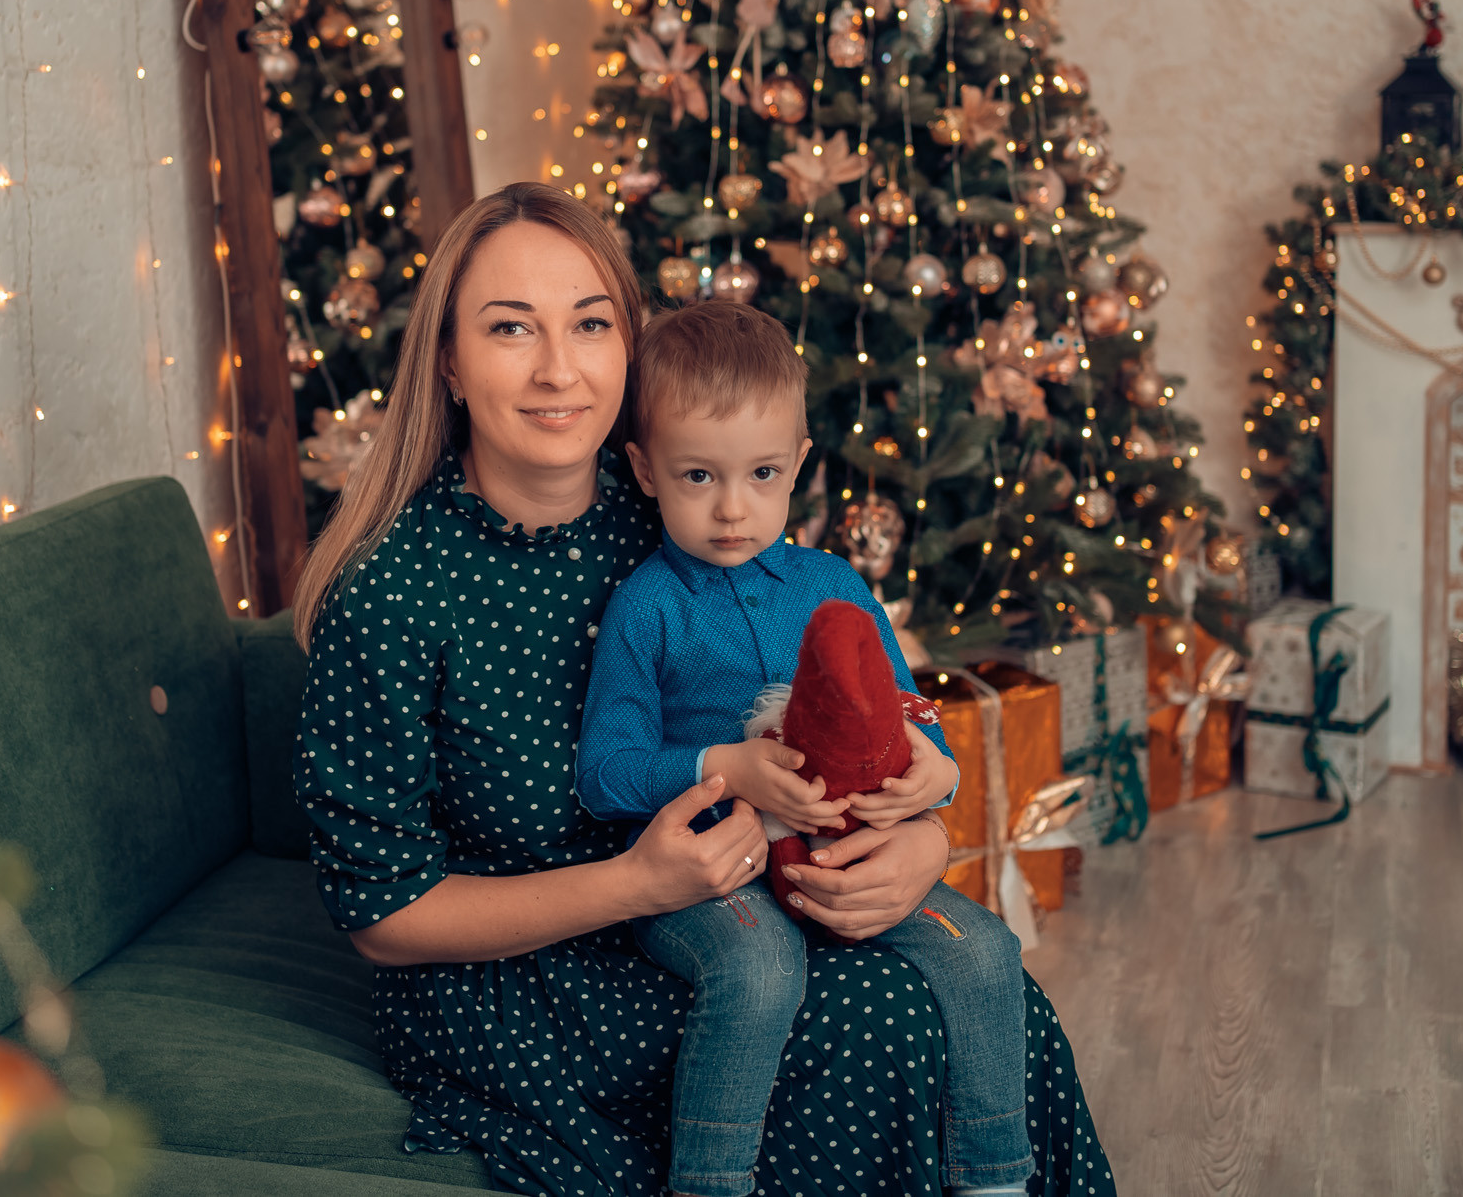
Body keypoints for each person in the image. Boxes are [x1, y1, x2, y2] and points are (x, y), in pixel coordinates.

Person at [292, 181, 1116, 1197]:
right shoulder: (390, 590)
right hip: (526, 973)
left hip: (746, 892)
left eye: (590, 324)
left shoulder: (689, 510)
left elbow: (836, 717)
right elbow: (382, 909)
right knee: (878, 1020)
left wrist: (916, 843)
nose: (558, 367)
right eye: (510, 328)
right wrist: (638, 884)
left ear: (628, 352)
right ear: (452, 362)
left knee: (975, 977)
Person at [578, 301, 1034, 1197]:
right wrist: (723, 766)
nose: (733, 508)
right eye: (698, 475)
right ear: (643, 468)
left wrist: (936, 777)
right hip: (710, 878)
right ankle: (710, 1182)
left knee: (985, 949)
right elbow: (604, 772)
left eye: (762, 472)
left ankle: (994, 1178)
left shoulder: (831, 583)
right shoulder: (647, 606)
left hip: (838, 854)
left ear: (800, 464)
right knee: (759, 967)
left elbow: (911, 714)